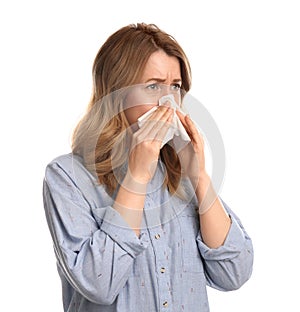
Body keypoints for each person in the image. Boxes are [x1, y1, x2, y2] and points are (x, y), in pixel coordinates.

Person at [43, 23, 253, 312]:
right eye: (153, 86)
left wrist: (199, 176)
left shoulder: (181, 176)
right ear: (115, 94)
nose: (169, 102)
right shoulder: (67, 177)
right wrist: (137, 176)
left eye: (175, 87)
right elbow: (98, 284)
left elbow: (234, 273)